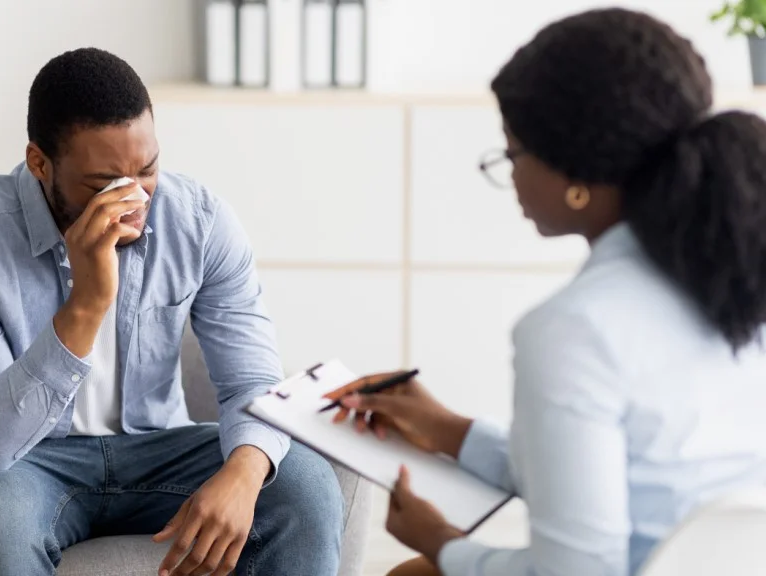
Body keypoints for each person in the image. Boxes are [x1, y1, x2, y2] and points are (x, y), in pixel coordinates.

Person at [328, 8, 766, 576]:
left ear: (576, 177)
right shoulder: (737, 277)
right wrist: (453, 433)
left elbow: (576, 573)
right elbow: (629, 481)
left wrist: (441, 542)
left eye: (513, 153)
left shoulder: (573, 330)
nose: (509, 174)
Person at [0, 47, 344, 576]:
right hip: (27, 462)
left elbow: (253, 381)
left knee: (306, 482)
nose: (133, 197)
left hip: (160, 448)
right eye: (102, 183)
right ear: (39, 163)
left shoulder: (200, 222)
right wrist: (85, 305)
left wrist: (245, 472)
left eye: (148, 169)